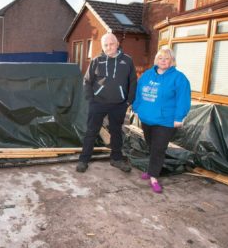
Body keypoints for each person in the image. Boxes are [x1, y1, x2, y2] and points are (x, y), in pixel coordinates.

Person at [132, 47, 191, 193]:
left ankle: (153, 176)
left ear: (172, 61)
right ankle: (152, 169)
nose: (163, 61)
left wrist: (179, 117)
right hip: (147, 118)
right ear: (156, 60)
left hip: (166, 120)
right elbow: (139, 92)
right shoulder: (147, 75)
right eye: (160, 58)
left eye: (166, 58)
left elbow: (183, 99)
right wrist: (136, 107)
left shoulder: (179, 78)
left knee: (158, 148)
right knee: (151, 146)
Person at [77, 32, 137, 173]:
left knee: (116, 131)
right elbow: (87, 81)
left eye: (111, 44)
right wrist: (91, 99)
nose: (109, 47)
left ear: (117, 44)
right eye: (106, 45)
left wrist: (128, 101)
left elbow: (133, 81)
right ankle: (84, 160)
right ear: (102, 47)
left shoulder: (127, 60)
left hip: (119, 104)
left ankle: (116, 159)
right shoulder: (96, 60)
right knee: (91, 131)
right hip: (98, 103)